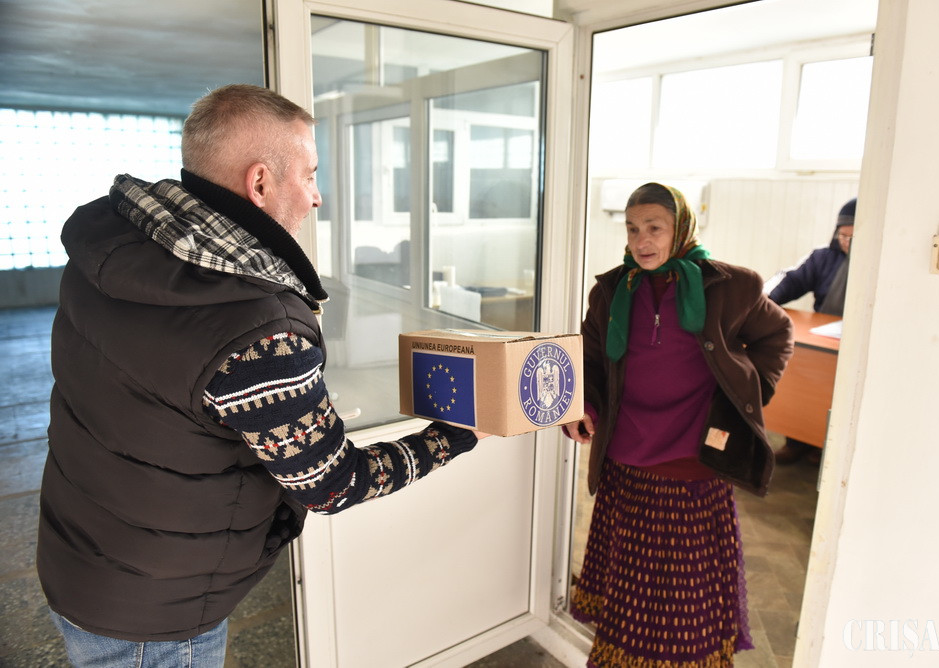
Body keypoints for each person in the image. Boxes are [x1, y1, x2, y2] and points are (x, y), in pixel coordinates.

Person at [37, 84, 482, 666]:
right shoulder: (258, 328)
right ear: (260, 183)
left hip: (79, 550)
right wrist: (450, 437)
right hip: (154, 612)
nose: (317, 196)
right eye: (310, 174)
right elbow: (331, 483)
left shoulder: (114, 248)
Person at [564, 183, 793, 667]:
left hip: (696, 464)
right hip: (627, 463)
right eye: (632, 229)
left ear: (681, 229)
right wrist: (584, 408)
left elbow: (777, 334)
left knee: (688, 596)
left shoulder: (730, 287)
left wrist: (745, 399)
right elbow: (590, 362)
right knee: (631, 590)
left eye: (654, 228)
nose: (641, 240)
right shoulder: (610, 291)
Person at [765, 197, 855, 464]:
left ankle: (825, 447)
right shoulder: (824, 257)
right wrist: (762, 300)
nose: (847, 243)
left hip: (855, 345)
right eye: (843, 236)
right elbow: (790, 279)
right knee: (801, 375)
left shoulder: (881, 264)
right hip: (825, 336)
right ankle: (800, 441)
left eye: (854, 237)